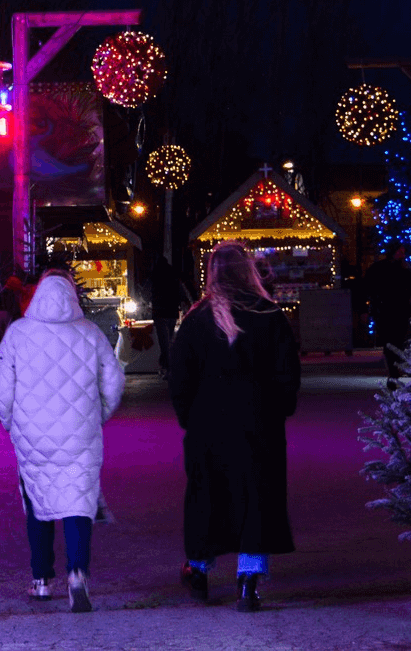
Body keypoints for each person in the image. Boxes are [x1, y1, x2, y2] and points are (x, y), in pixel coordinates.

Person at [167, 241, 300, 612]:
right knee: (256, 497)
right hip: (259, 424)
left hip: (208, 426)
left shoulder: (196, 319)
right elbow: (286, 373)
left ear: (212, 272)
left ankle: (199, 571)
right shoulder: (270, 315)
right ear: (249, 270)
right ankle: (248, 579)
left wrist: (188, 417)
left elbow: (179, 377)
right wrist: (279, 408)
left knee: (206, 497)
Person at [0, 268, 125, 613]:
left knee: (38, 502)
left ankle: (40, 581)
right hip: (81, 434)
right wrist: (100, 415)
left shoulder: (18, 333)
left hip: (32, 435)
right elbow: (112, 381)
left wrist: (9, 422)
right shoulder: (91, 333)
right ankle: (78, 574)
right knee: (79, 502)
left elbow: (2, 384)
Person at [363, 241, 411, 381]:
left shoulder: (380, 268)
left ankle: (393, 369)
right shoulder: (400, 270)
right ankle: (394, 368)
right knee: (395, 340)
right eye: (400, 251)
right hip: (394, 310)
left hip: (388, 310)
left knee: (391, 340)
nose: (402, 254)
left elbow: (366, 289)